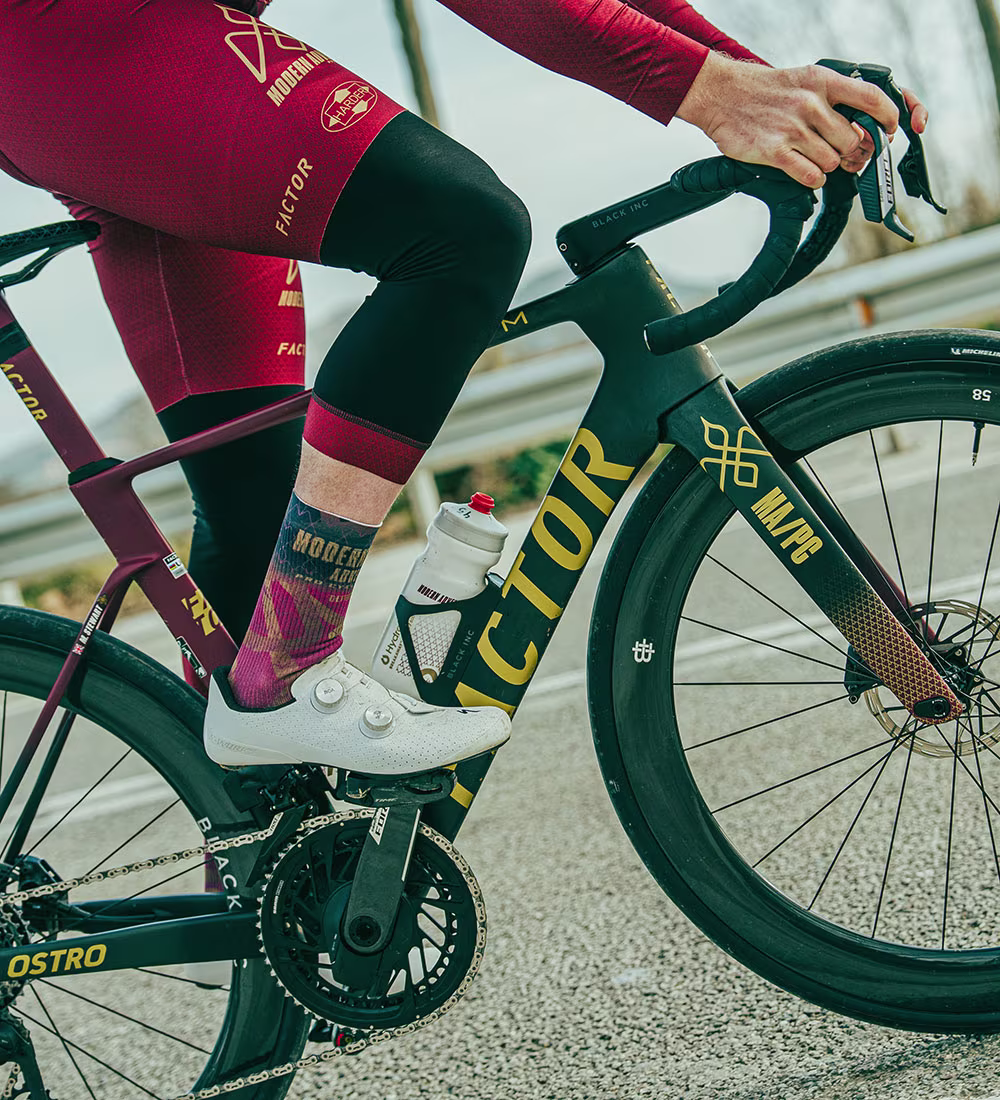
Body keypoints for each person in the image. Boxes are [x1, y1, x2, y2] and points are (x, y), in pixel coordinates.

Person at [0, 0, 928, 777]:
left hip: (100, 58)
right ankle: (287, 671)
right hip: (80, 35)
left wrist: (769, 88)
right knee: (461, 229)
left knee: (255, 501)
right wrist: (717, 92)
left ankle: (260, 889)